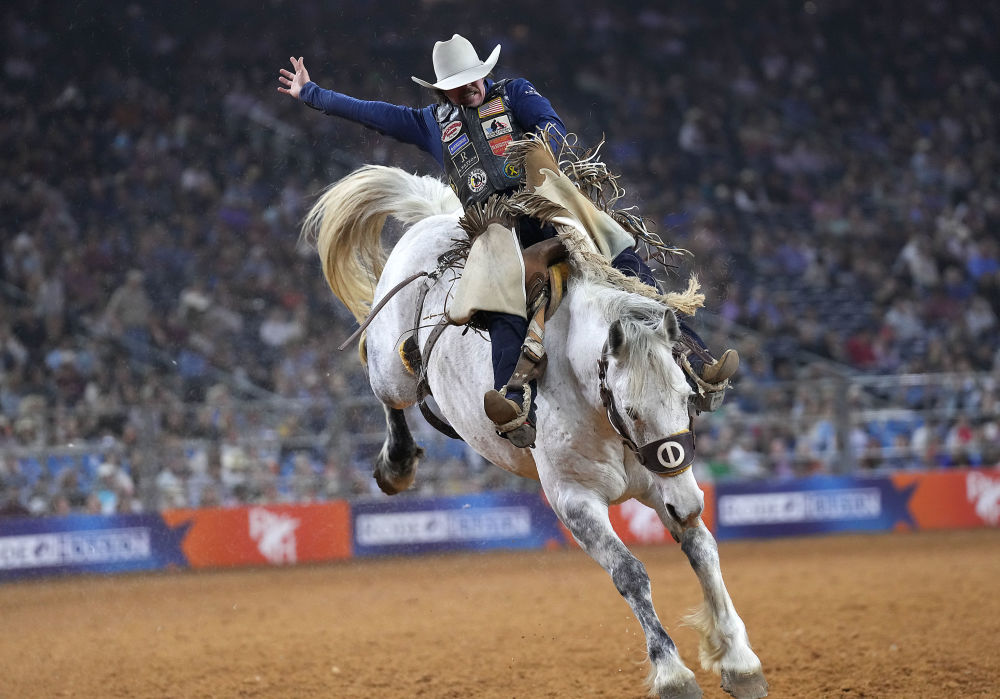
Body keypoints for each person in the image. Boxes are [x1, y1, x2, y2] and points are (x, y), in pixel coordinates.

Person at [278, 34, 737, 446]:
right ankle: (513, 401)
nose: (471, 89)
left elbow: (549, 122)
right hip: (496, 228)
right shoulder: (429, 122)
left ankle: (693, 359)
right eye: (460, 85)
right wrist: (311, 94)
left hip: (545, 202)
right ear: (444, 93)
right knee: (498, 294)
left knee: (620, 252)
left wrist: (546, 147)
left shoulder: (514, 92)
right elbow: (371, 114)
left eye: (475, 79)